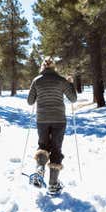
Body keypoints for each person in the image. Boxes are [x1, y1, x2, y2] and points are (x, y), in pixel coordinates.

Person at [27, 56, 77, 195]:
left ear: (43, 66)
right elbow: (73, 98)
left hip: (42, 119)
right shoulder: (61, 80)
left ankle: (40, 169)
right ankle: (53, 185)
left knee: (43, 145)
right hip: (59, 119)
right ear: (54, 67)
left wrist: (38, 93)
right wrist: (70, 83)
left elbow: (30, 102)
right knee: (56, 148)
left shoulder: (37, 81)